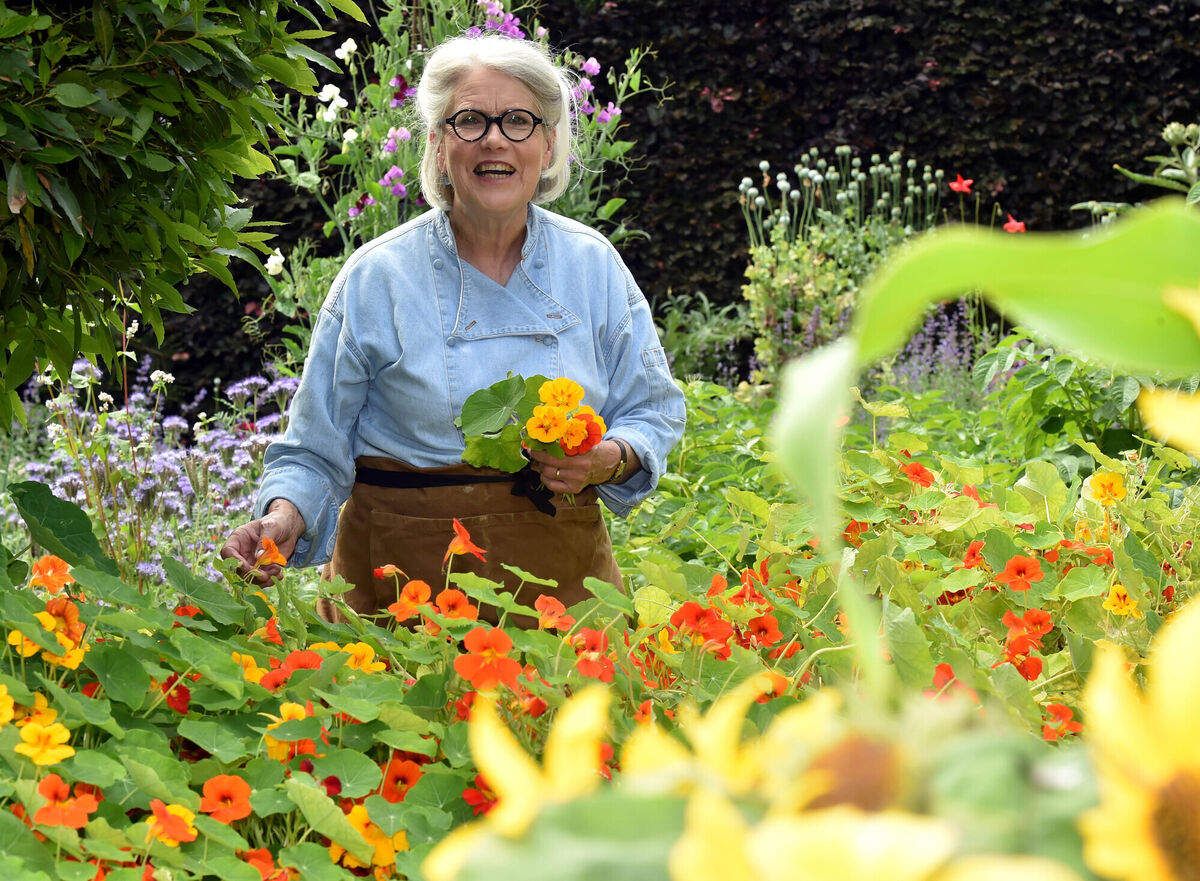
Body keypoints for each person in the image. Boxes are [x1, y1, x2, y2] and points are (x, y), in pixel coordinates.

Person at [221, 33, 685, 622]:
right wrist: (283, 517)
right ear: (439, 147)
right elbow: (315, 448)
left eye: (518, 120)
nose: (494, 139)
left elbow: (654, 410)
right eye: (469, 121)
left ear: (547, 144)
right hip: (397, 597)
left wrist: (607, 459)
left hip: (563, 597)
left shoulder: (592, 265)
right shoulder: (377, 277)